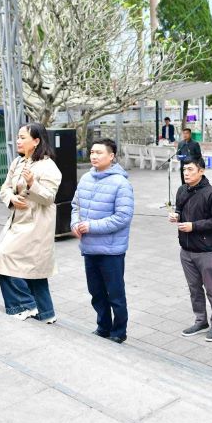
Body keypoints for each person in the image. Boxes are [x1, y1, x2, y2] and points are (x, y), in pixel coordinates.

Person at [0, 123, 62, 322]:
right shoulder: (17, 162)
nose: (18, 141)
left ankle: (24, 305)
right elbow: (5, 188)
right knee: (30, 269)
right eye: (18, 137)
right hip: (18, 222)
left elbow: (49, 198)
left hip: (36, 225)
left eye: (22, 137)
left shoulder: (48, 166)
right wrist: (11, 198)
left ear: (36, 141)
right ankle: (46, 313)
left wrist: (32, 184)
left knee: (5, 258)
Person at [72, 138, 134, 342]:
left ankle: (119, 332)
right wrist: (75, 224)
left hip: (111, 250)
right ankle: (103, 326)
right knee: (96, 292)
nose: (94, 156)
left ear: (111, 156)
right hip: (89, 247)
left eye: (99, 152)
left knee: (115, 294)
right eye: (92, 152)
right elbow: (75, 206)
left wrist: (91, 226)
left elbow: (123, 217)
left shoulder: (121, 183)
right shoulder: (85, 179)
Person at [170, 158, 212, 341]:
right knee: (194, 289)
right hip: (186, 250)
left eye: (190, 169)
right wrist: (176, 216)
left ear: (201, 171)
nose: (186, 173)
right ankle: (201, 321)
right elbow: (179, 210)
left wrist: (193, 226)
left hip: (206, 251)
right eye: (184, 169)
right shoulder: (182, 190)